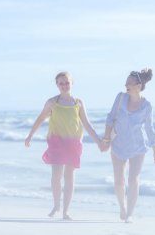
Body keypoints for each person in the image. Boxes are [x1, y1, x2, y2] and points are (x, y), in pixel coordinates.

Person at [25, 71, 102, 220]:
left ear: (72, 83)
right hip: (57, 143)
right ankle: (56, 205)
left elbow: (86, 123)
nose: (64, 85)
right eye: (61, 83)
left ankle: (66, 211)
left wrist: (98, 141)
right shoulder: (52, 102)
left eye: (67, 82)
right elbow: (40, 118)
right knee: (56, 176)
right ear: (57, 85)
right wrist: (30, 135)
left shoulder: (78, 102)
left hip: (73, 144)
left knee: (69, 177)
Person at [100, 68, 155, 223]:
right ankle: (122, 207)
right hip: (118, 145)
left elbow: (149, 128)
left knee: (133, 179)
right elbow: (110, 118)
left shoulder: (147, 105)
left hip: (137, 147)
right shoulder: (120, 98)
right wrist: (106, 140)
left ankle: (130, 213)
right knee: (119, 181)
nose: (125, 85)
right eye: (126, 82)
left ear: (138, 86)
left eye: (129, 83)